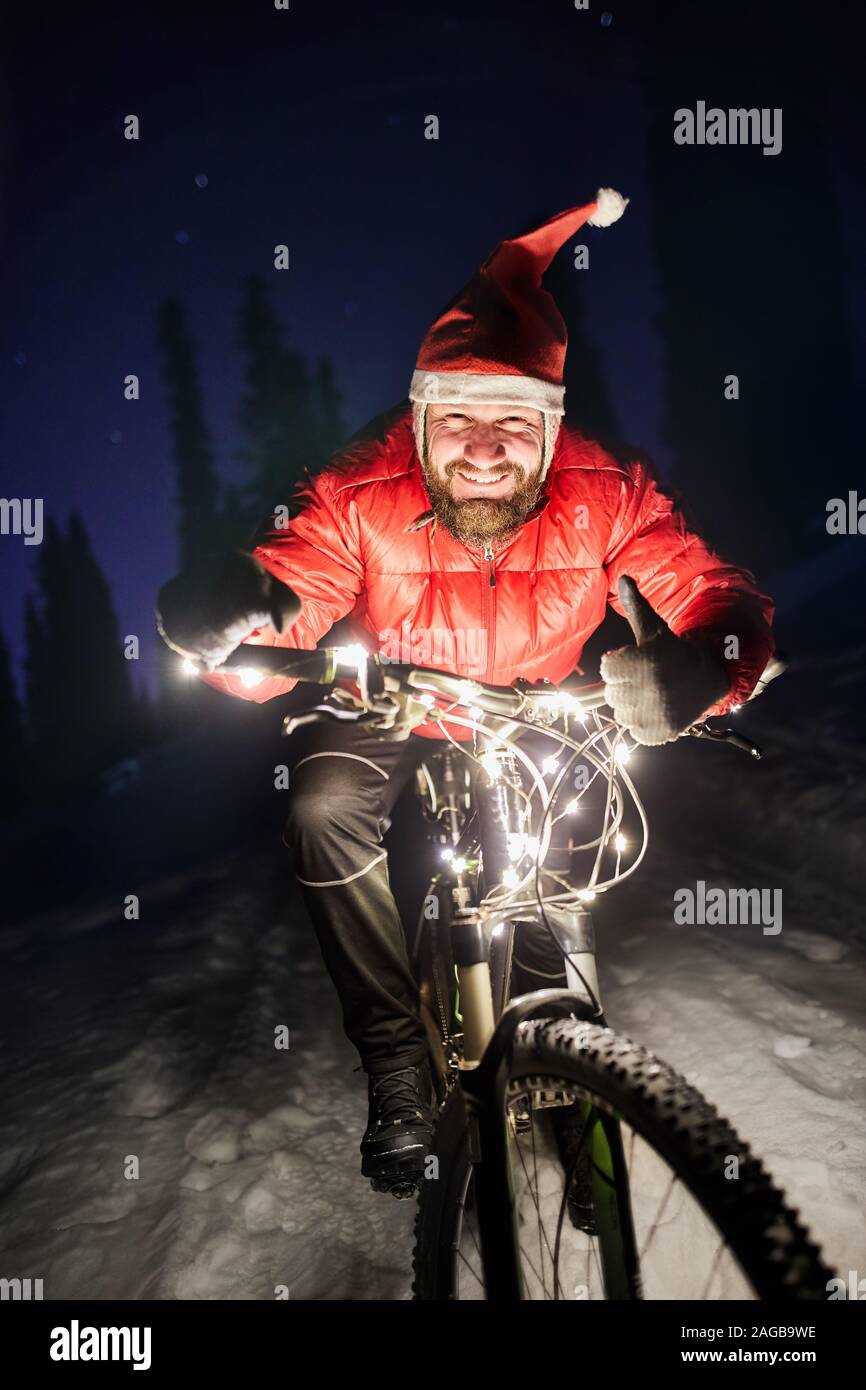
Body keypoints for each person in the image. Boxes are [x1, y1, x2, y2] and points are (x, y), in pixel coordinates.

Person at [156, 189, 774, 1197]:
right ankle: (395, 1056)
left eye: (512, 420)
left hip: (532, 707)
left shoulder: (606, 489)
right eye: (455, 420)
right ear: (418, 418)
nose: (481, 450)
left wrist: (707, 662)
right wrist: (237, 612)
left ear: (550, 425)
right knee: (322, 808)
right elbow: (287, 600)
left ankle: (570, 1072)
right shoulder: (360, 489)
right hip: (391, 701)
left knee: (546, 869)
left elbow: (710, 590)